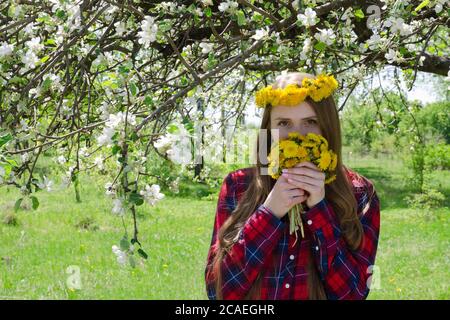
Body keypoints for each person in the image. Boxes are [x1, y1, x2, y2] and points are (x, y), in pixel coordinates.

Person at [204, 72, 381, 300]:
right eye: (284, 123)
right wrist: (269, 213)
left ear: (328, 127)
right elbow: (217, 291)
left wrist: (319, 209)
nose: (297, 135)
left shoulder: (360, 194)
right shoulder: (238, 186)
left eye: (310, 122)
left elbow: (355, 293)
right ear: (269, 130)